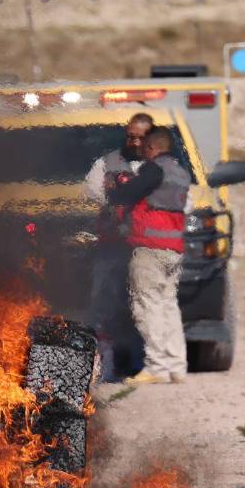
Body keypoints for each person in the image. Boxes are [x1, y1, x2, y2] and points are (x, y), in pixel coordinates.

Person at [107, 128, 191, 384]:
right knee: (168, 306)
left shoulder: (154, 170)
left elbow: (126, 195)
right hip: (174, 250)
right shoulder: (181, 173)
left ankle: (156, 367)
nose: (143, 153)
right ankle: (176, 366)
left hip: (150, 250)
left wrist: (113, 189)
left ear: (153, 148)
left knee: (147, 307)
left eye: (145, 149)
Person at [84, 113, 154, 380]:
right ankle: (107, 371)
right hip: (111, 249)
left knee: (141, 309)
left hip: (145, 251)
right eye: (130, 136)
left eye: (140, 137)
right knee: (104, 308)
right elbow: (91, 191)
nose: (134, 141)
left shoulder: (159, 166)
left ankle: (141, 367)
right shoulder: (106, 163)